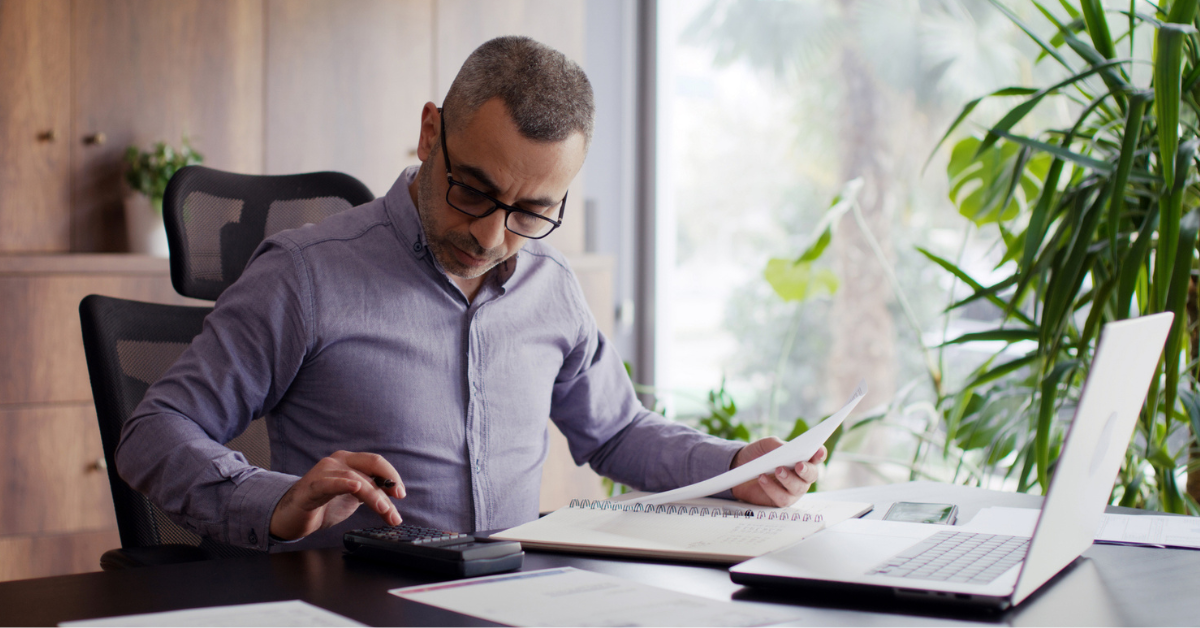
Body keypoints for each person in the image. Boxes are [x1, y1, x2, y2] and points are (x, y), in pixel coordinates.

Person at [116, 35, 826, 552]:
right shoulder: (306, 276)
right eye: (473, 190)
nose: (490, 236)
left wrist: (737, 467)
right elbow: (153, 432)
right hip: (355, 607)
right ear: (431, 135)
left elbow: (615, 431)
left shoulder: (552, 290)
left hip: (510, 599)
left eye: (530, 211)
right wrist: (274, 500)